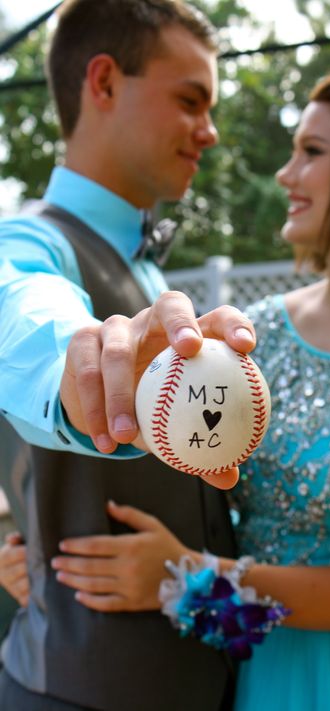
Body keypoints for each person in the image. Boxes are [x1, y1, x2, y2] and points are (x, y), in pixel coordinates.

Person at [33, 67, 330, 710]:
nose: (285, 175)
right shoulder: (260, 326)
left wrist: (185, 580)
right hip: (246, 657)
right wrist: (52, 561)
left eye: (312, 153)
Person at [0, 1, 256, 709]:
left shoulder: (151, 275)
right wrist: (78, 370)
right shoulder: (24, 247)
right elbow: (22, 311)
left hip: (204, 675)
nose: (209, 130)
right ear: (104, 83)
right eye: (189, 100)